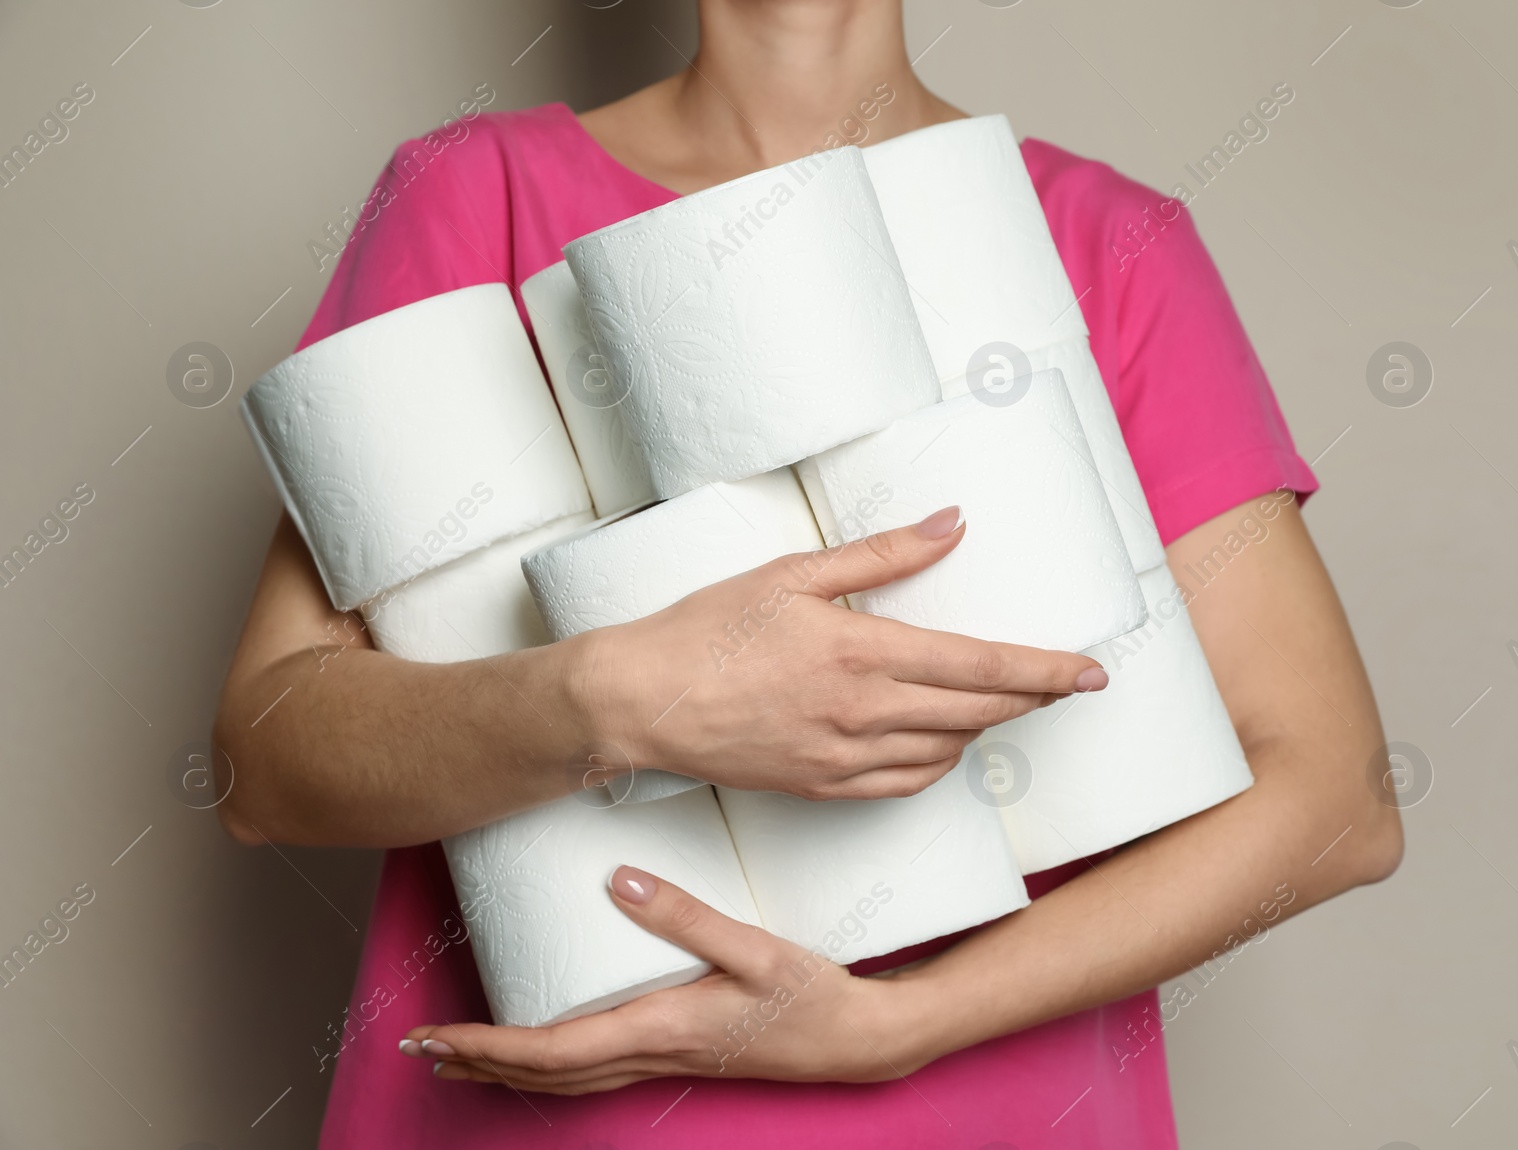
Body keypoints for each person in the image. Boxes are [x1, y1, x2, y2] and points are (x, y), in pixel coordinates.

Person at [213, 1, 1402, 1145]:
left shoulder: (1095, 237)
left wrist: (895, 1025)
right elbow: (266, 760)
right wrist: (623, 701)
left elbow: (1332, 802)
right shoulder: (476, 192)